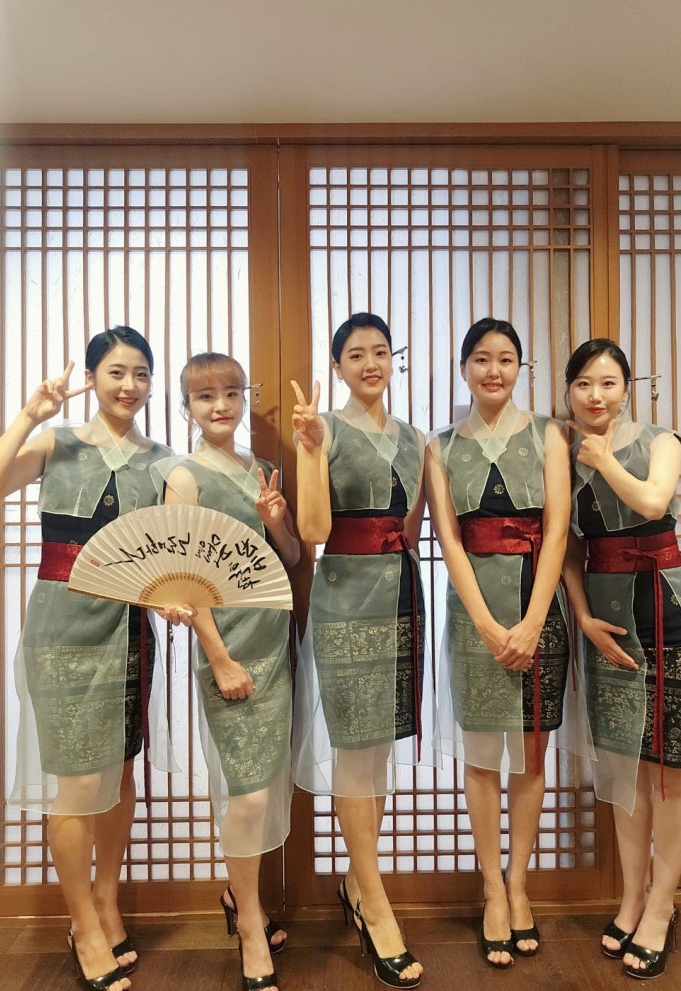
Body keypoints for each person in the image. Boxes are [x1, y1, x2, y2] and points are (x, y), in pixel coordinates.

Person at [0, 326, 175, 991]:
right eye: (116, 372)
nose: (129, 385)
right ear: (94, 378)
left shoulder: (164, 462)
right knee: (75, 782)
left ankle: (106, 899)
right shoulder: (57, 442)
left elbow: (171, 554)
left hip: (128, 628)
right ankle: (81, 923)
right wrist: (28, 414)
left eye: (140, 374)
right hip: (61, 631)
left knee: (119, 772)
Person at [562, 338, 681, 980]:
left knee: (672, 766)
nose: (596, 395)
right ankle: (631, 898)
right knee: (625, 765)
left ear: (627, 389)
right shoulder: (562, 455)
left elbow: (654, 504)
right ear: (568, 391)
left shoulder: (662, 441)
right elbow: (568, 549)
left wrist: (603, 458)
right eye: (584, 384)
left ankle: (662, 905)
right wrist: (581, 617)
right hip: (607, 619)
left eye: (608, 383)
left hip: (671, 610)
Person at [424, 318, 570, 968]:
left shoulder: (548, 435)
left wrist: (534, 621)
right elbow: (449, 540)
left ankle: (518, 885)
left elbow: (558, 530)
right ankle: (490, 888)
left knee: (531, 756)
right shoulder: (439, 447)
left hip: (540, 608)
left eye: (506, 358)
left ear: (519, 368)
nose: (493, 370)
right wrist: (485, 624)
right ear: (464, 369)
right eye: (481, 359)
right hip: (473, 616)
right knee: (482, 757)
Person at [290, 313, 428, 990]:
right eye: (355, 354)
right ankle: (375, 904)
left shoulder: (415, 439)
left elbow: (412, 528)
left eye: (379, 351)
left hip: (401, 594)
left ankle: (356, 880)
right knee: (354, 747)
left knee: (378, 751)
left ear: (392, 359)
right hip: (344, 598)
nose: (370, 363)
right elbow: (313, 528)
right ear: (337, 366)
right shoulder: (322, 427)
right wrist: (311, 449)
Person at [155, 353, 299, 991]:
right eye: (204, 395)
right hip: (228, 649)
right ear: (186, 405)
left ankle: (241, 899)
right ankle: (248, 923)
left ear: (246, 397)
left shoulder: (263, 469)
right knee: (249, 793)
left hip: (274, 641)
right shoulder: (183, 476)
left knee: (265, 782)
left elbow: (289, 557)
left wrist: (277, 523)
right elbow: (183, 579)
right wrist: (217, 657)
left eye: (232, 393)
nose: (220, 405)